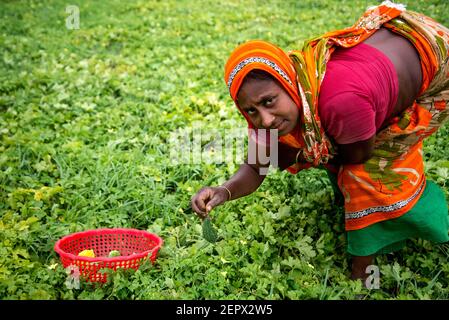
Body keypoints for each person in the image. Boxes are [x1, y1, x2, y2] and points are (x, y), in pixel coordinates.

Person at [191, 1, 449, 283]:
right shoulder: (296, 85)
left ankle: (366, 270)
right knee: (317, 144)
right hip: (385, 54)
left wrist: (305, 154)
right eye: (251, 111)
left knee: (366, 176)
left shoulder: (340, 102)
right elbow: (256, 166)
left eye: (269, 102)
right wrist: (223, 191)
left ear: (288, 81)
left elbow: (358, 156)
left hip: (435, 59)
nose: (264, 120)